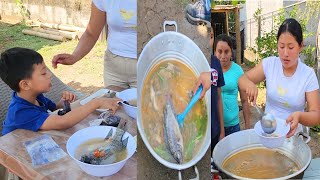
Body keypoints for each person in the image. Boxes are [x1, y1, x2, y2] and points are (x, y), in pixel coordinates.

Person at [0, 48, 121, 135]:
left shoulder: (35, 96)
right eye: (43, 73)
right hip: (15, 160)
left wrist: (63, 103)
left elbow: (53, 110)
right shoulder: (20, 112)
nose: (50, 75)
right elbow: (63, 122)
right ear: (25, 84)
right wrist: (95, 103)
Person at [238, 18, 320, 137]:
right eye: (281, 47)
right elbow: (242, 79)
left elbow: (316, 115)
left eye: (291, 47)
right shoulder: (269, 65)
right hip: (268, 133)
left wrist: (300, 116)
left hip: (292, 137)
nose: (285, 53)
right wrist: (249, 84)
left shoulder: (308, 75)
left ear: (300, 46)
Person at [52, 0, 137, 89]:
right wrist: (74, 57)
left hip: (145, 63)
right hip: (113, 67)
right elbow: (91, 33)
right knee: (113, 101)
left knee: (144, 103)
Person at [214, 34, 250, 136]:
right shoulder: (211, 70)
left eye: (226, 52)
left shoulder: (238, 71)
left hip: (233, 126)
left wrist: (247, 127)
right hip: (215, 125)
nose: (223, 56)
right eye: (219, 52)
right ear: (214, 52)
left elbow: (244, 101)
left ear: (231, 53)